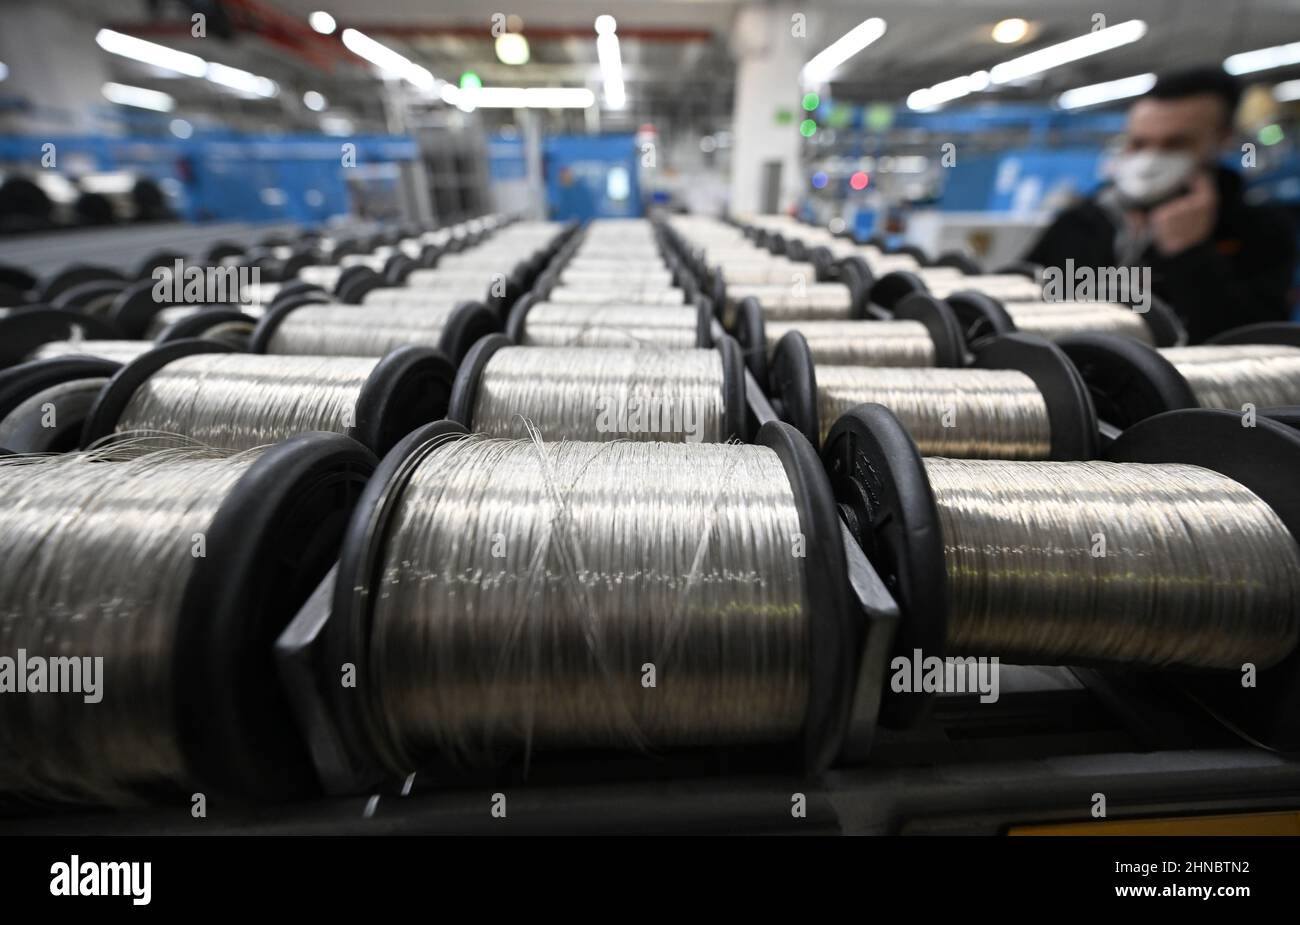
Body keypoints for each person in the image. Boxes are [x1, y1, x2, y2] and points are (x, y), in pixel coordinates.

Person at [1025, 68, 1295, 343]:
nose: (1151, 158)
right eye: (1139, 143)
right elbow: (1022, 301)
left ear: (1222, 140)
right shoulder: (1080, 223)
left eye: (1175, 144)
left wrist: (1189, 254)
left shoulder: (1260, 231)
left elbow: (1258, 352)